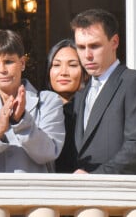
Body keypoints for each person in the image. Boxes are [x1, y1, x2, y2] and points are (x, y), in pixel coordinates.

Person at [0, 29, 65, 172]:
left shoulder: (47, 101)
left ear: (22, 63)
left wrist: (21, 121)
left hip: (34, 193)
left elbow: (48, 153)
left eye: (8, 61)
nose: (2, 69)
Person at [70, 8, 136, 174]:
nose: (87, 55)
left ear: (115, 42)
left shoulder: (135, 83)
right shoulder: (82, 93)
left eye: (94, 46)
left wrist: (95, 177)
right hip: (83, 193)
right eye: (81, 47)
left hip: (119, 193)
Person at [45, 39, 88, 173]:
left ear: (85, 73)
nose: (63, 72)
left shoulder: (90, 112)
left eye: (73, 65)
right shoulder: (38, 110)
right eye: (56, 65)